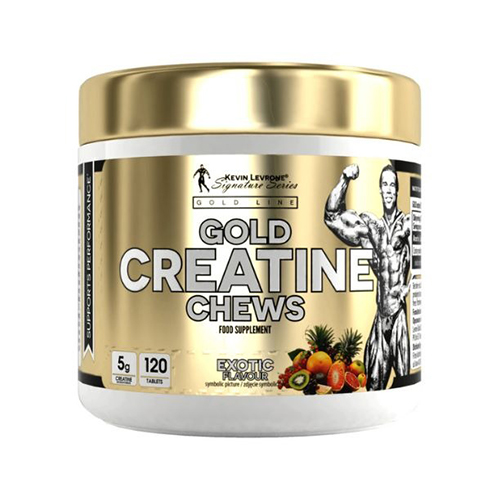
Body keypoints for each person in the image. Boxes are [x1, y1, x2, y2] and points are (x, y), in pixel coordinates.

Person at [324, 163, 410, 390]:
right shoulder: (372, 229)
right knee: (372, 386)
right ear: (380, 189)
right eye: (385, 184)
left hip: (399, 315)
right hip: (381, 316)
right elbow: (332, 217)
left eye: (392, 185)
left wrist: (409, 286)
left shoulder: (408, 223)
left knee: (405, 381)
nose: (389, 189)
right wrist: (344, 179)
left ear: (397, 190)